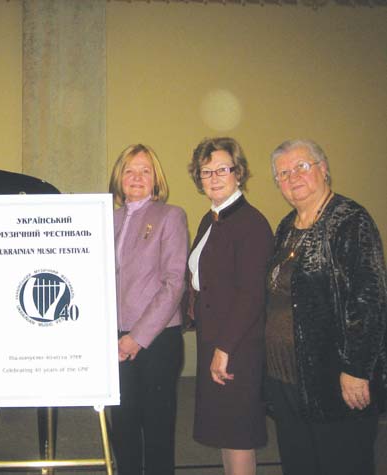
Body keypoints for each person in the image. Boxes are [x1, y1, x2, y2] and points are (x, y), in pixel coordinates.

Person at [265, 139, 387, 475]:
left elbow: (370, 299)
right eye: (283, 173)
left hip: (333, 380)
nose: (292, 177)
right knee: (299, 463)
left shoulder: (350, 220)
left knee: (342, 462)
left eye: (301, 167)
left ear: (323, 169)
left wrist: (357, 369)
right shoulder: (287, 226)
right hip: (287, 378)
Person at [185, 137, 273, 475]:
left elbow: (251, 295)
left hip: (236, 345)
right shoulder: (212, 220)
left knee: (238, 435)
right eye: (206, 172)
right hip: (215, 339)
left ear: (239, 172)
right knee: (226, 431)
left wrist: (224, 348)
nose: (214, 177)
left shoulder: (251, 223)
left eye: (223, 169)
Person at [108, 144, 188, 475]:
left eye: (145, 171)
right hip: (114, 339)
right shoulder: (105, 219)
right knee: (123, 429)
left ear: (156, 179)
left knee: (156, 432)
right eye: (129, 170)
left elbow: (174, 283)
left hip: (156, 339)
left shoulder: (170, 215)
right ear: (118, 178)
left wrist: (136, 337)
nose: (136, 177)